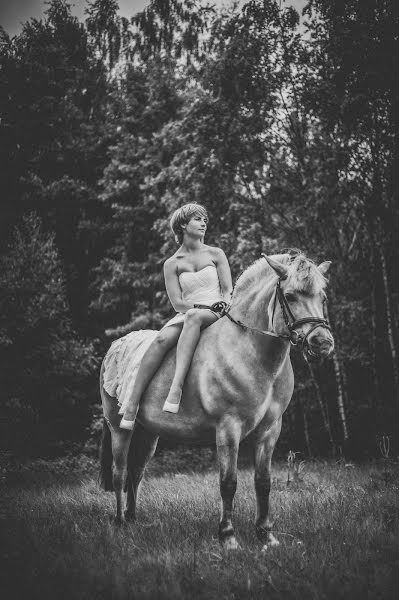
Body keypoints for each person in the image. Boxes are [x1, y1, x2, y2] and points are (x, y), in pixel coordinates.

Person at [119, 203, 233, 430]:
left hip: (219, 311)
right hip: (189, 311)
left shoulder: (216, 254)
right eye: (197, 219)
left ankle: (176, 387)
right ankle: (132, 403)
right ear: (183, 225)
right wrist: (199, 307)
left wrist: (223, 305)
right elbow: (178, 303)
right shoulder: (172, 263)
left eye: (204, 220)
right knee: (160, 339)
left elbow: (228, 289)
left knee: (194, 317)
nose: (203, 224)